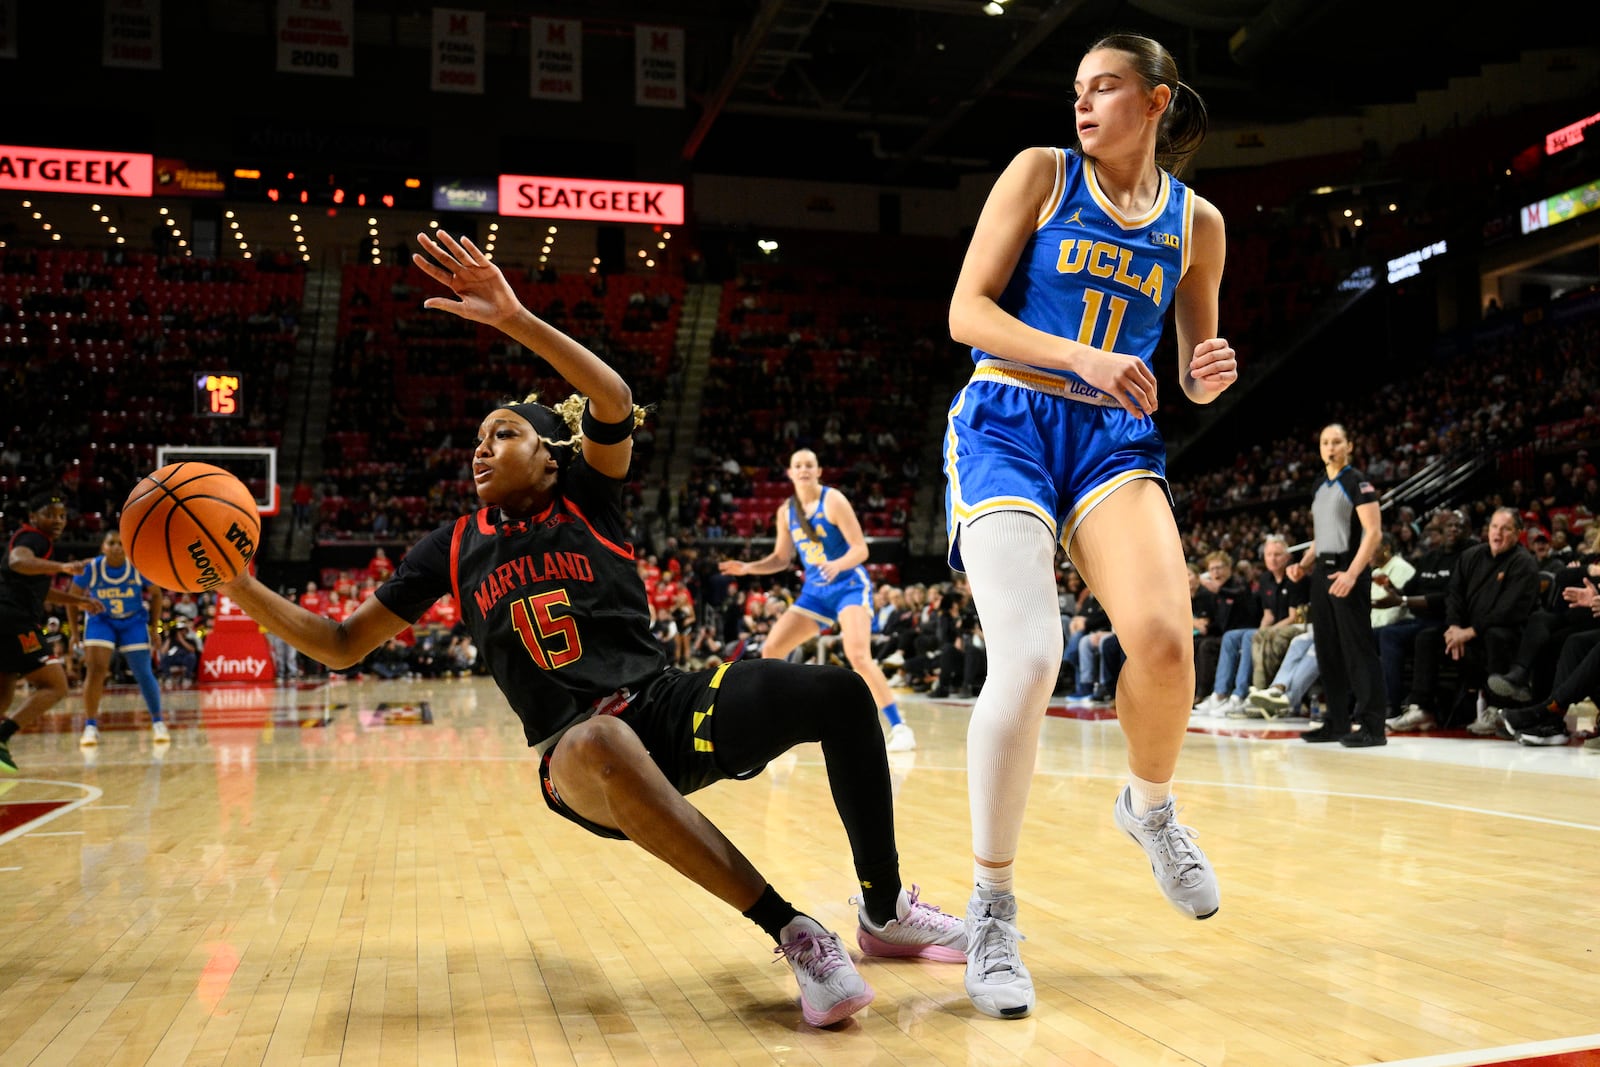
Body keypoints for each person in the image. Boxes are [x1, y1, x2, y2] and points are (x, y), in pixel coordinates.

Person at [215, 230, 964, 1027]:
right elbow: (338, 643)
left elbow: (610, 398)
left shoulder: (586, 493)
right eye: (475, 440)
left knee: (842, 693)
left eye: (503, 433)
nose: (480, 449)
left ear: (550, 456)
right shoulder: (454, 544)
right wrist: (237, 582)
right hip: (575, 756)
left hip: (668, 704)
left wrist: (514, 317)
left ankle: (883, 912)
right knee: (598, 743)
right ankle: (794, 929)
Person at [944, 33, 1231, 1018]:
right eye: (1077, 87)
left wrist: (1206, 369)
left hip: (1113, 439)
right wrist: (1081, 358)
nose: (1083, 102)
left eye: (1105, 87)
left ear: (1155, 102)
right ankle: (991, 906)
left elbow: (1193, 362)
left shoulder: (1198, 223)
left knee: (1161, 642)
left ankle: (1148, 807)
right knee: (1027, 657)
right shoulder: (1040, 173)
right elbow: (966, 313)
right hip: (1006, 423)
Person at [719, 449, 916, 753]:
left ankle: (900, 727)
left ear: (819, 470)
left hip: (849, 585)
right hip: (816, 593)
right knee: (771, 649)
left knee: (858, 654)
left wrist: (839, 564)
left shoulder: (833, 500)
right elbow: (781, 559)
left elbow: (861, 550)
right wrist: (748, 568)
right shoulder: (787, 511)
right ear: (790, 473)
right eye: (797, 465)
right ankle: (779, 723)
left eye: (809, 465)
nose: (803, 470)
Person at [1292, 423, 1387, 747]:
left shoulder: (1357, 481)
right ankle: (1336, 722)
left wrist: (1352, 573)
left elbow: (1373, 532)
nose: (1330, 448)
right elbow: (1322, 535)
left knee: (1358, 650)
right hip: (1321, 574)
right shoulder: (1320, 483)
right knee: (1328, 651)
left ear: (1349, 446)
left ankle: (1373, 726)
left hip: (1348, 573)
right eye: (1324, 442)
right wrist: (1303, 565)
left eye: (1336, 442)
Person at [0, 490, 104, 773]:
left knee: (4, 695)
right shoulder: (33, 538)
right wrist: (63, 566)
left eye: (62, 516)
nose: (58, 521)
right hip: (15, 621)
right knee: (56, 685)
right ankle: (3, 736)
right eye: (50, 515)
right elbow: (17, 561)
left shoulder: (36, 543)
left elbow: (43, 591)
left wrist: (79, 600)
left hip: (7, 619)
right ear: (33, 517)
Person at [67, 530, 169, 747]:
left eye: (121, 544)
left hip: (132, 621)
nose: (116, 547)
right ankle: (91, 726)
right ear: (103, 547)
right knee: (96, 670)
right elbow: (71, 598)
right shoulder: (92, 567)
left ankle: (158, 722)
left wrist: (154, 628)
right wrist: (74, 633)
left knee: (143, 672)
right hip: (101, 620)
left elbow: (157, 594)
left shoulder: (137, 565)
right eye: (111, 543)